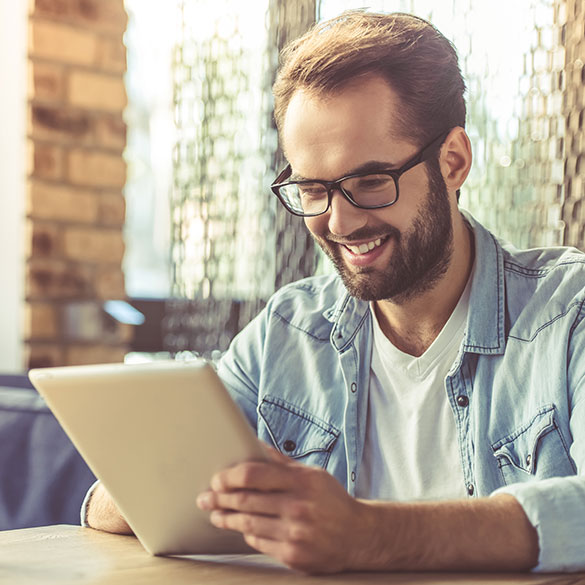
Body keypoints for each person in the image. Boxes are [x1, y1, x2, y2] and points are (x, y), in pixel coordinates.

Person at [84, 10, 585, 574]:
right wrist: (167, 483)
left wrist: (373, 534)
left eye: (370, 181)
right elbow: (110, 501)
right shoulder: (287, 333)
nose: (339, 222)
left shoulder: (567, 314)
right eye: (313, 189)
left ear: (454, 162)